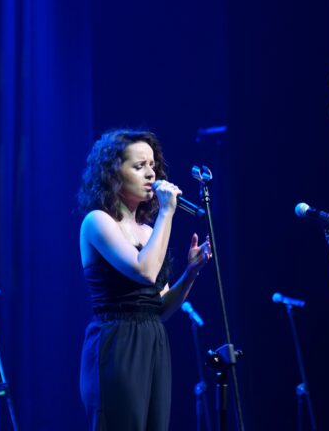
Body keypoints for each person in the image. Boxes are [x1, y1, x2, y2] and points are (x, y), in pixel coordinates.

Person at [78, 129, 212, 431]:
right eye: (139, 166)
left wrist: (191, 272)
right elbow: (144, 271)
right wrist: (167, 212)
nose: (151, 173)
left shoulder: (149, 231)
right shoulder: (98, 222)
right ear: (113, 173)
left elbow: (159, 307)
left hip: (152, 341)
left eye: (152, 165)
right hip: (116, 344)